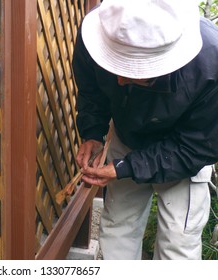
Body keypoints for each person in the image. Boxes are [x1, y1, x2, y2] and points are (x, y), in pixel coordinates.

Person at [72, 0, 218, 259]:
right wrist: (92, 133)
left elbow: (196, 146)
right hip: (127, 136)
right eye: (113, 64)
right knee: (117, 229)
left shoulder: (211, 64)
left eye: (130, 71)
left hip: (185, 152)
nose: (118, 79)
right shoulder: (99, 29)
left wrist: (125, 168)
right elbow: (91, 90)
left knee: (178, 244)